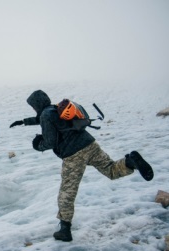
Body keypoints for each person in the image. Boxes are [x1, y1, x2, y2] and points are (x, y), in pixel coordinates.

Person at [10, 90, 154, 242]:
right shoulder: (54, 109)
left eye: (33, 106)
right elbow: (43, 119)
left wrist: (38, 145)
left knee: (67, 193)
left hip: (73, 154)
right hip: (89, 144)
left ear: (36, 105)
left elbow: (50, 141)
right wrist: (24, 121)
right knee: (111, 169)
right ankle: (131, 161)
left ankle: (64, 230)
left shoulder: (46, 115)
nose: (33, 109)